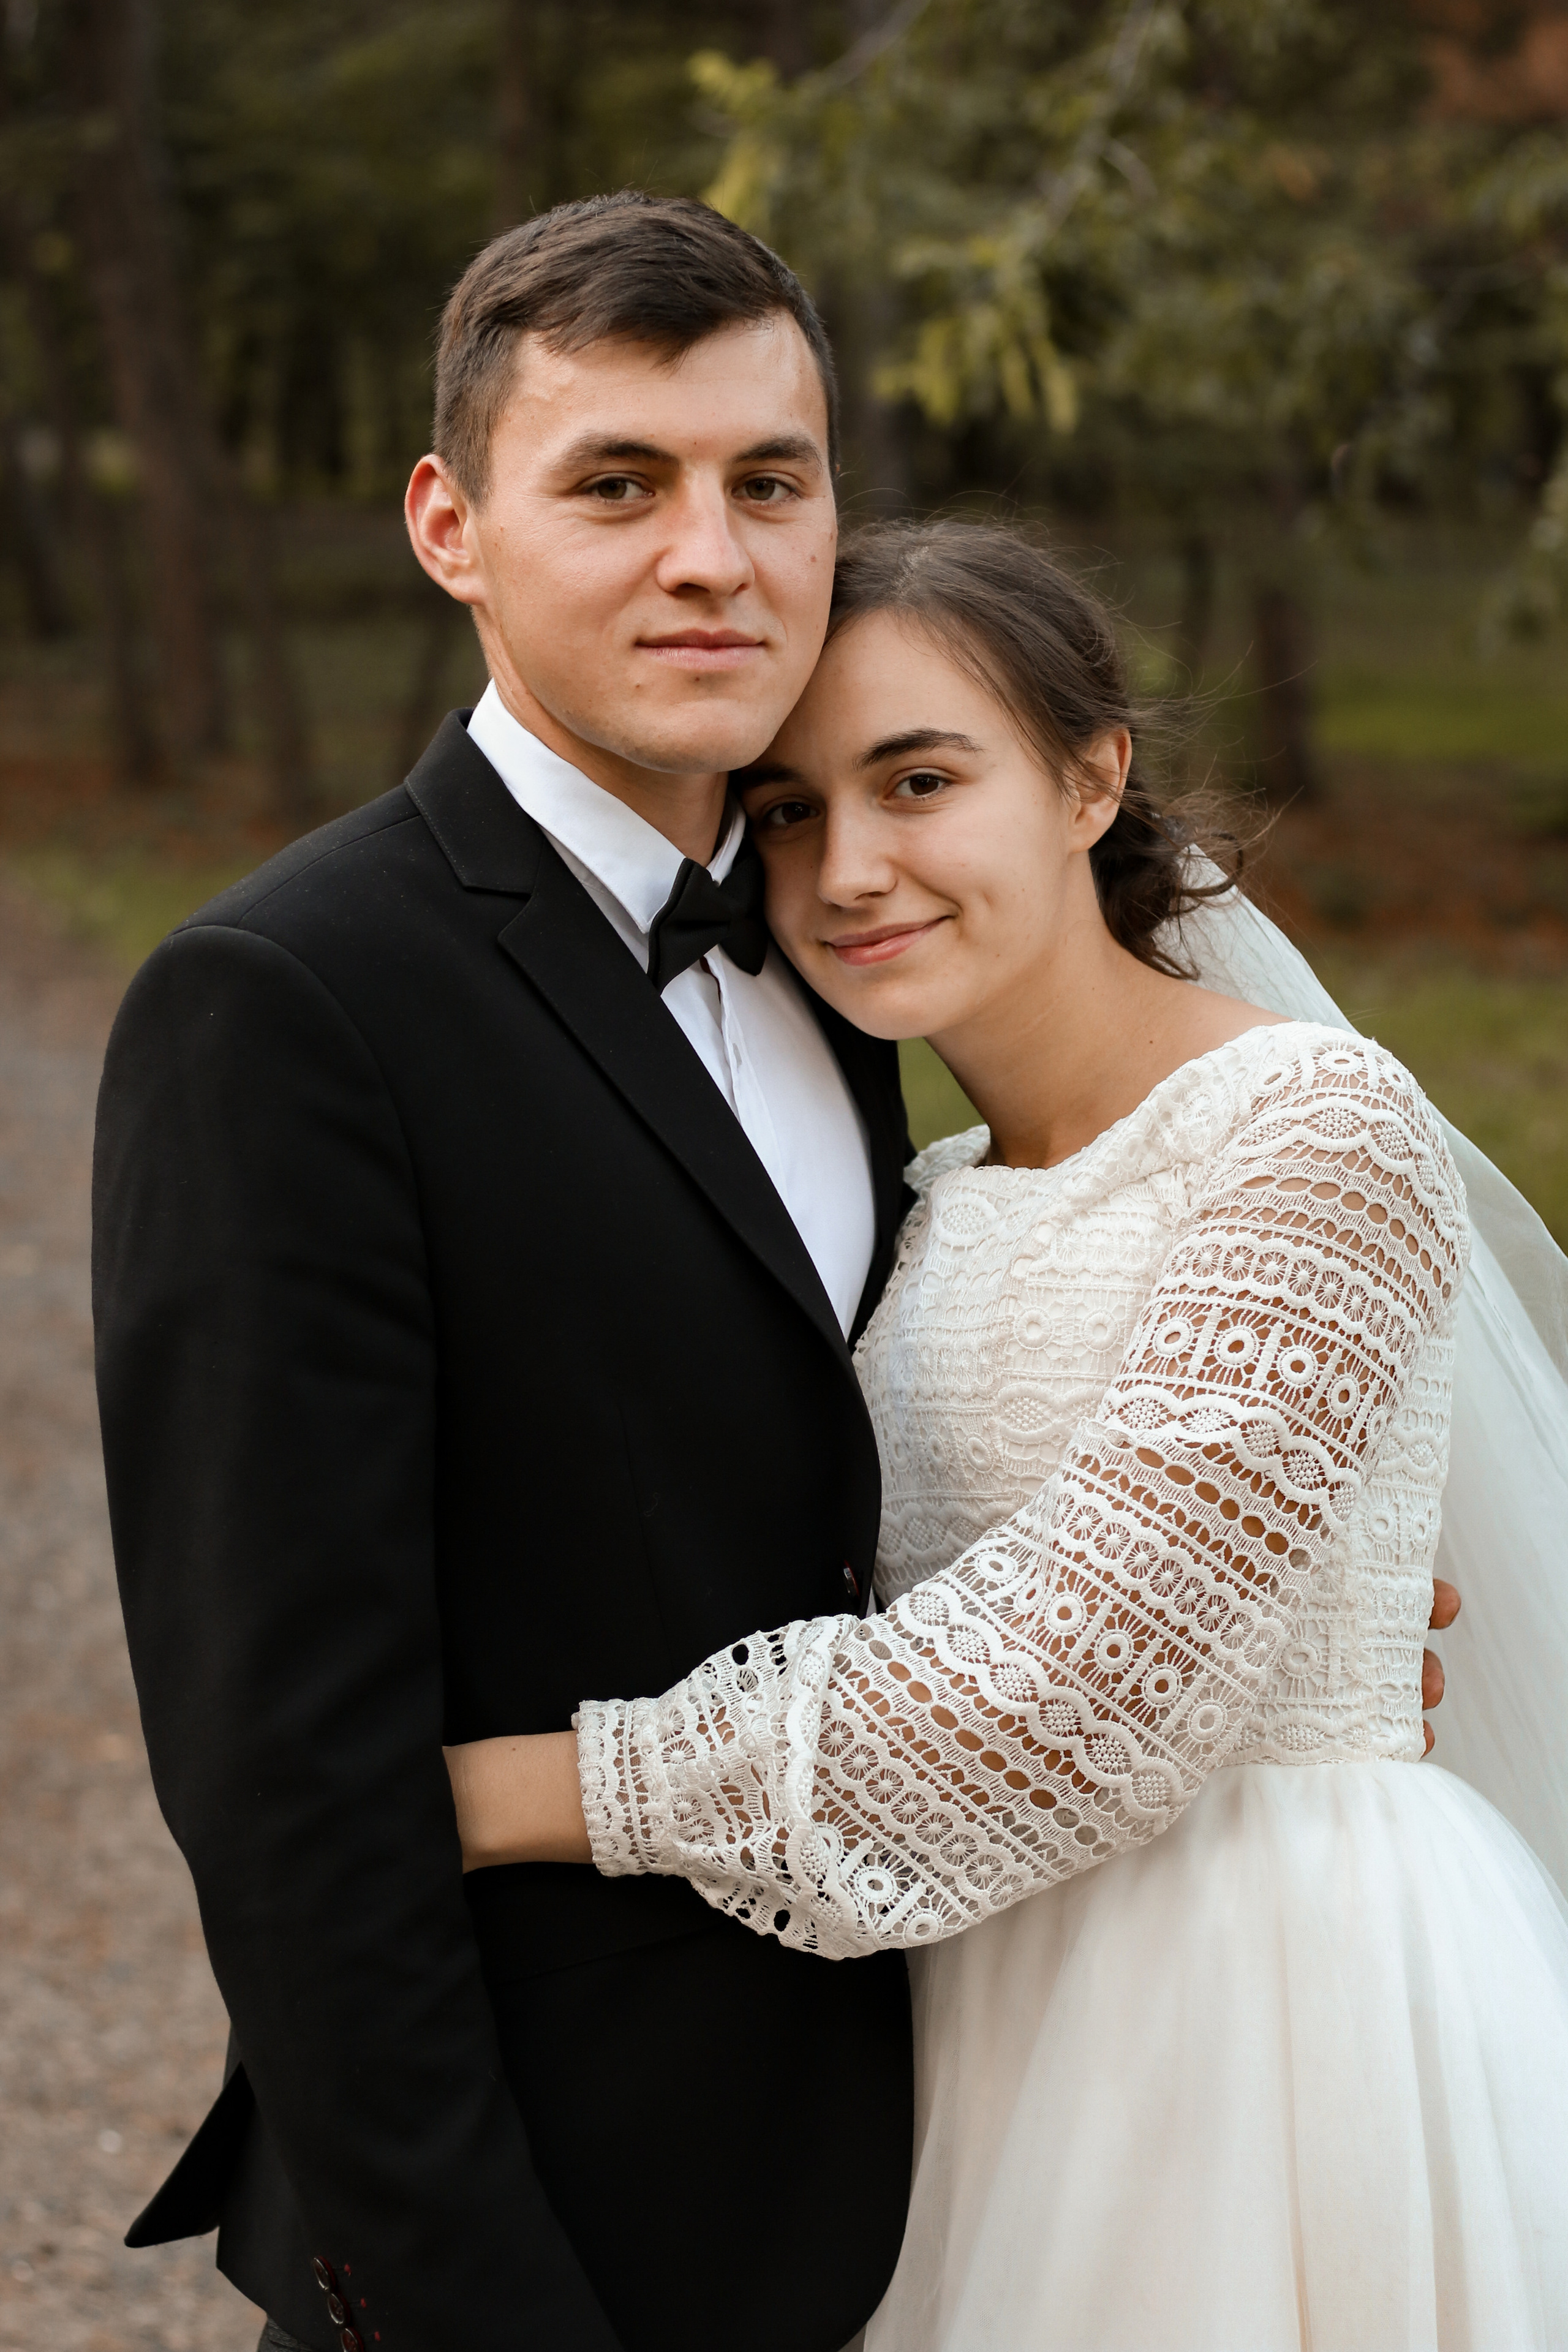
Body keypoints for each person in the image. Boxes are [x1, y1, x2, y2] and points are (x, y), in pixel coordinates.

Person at [446, 521, 1568, 2349]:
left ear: (1088, 778)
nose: (848, 870)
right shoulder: (928, 1196)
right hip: (964, 1994)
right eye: (788, 812)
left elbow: (1076, 1690)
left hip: (1262, 2017)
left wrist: (496, 1796)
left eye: (920, 781)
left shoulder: (1311, 1130)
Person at [92, 195, 919, 2352]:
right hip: (556, 2219)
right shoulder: (285, 1004)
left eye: (771, 482)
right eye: (619, 485)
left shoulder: (861, 941)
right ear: (450, 527)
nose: (713, 557)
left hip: (926, 2172)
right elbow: (292, 1780)